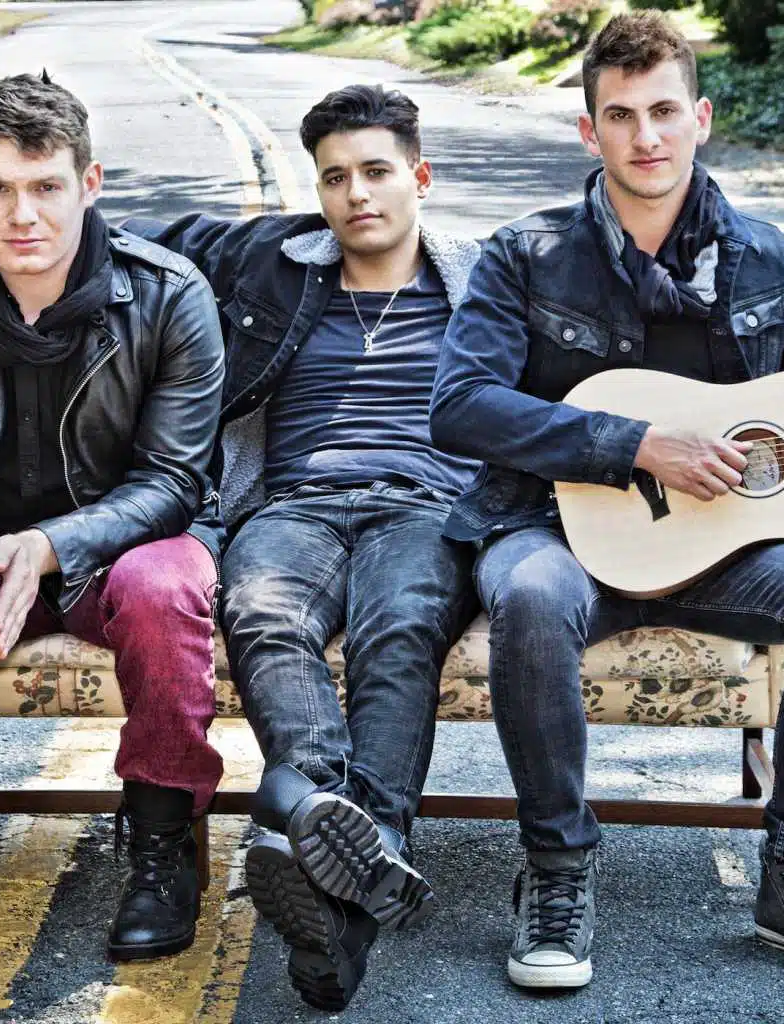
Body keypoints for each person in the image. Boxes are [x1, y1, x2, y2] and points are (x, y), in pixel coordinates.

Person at [431, 11, 784, 990]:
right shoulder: (524, 255)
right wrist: (636, 445)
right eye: (620, 115)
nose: (644, 136)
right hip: (554, 527)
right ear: (588, 130)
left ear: (700, 118)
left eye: (662, 111)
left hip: (724, 549)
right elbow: (461, 405)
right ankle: (557, 872)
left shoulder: (769, 259)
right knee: (531, 596)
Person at [124, 84, 480, 1010]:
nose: (356, 194)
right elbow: (126, 236)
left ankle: (337, 862)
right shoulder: (273, 260)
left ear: (420, 177)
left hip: (424, 508)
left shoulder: (484, 274)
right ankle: (328, 816)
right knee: (260, 610)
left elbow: (622, 272)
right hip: (295, 505)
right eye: (334, 177)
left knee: (400, 626)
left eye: (376, 171)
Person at [0, 74, 226, 963]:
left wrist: (50, 546)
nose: (22, 215)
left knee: (167, 583)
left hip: (111, 555)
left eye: (46, 186)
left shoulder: (169, 295)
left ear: (90, 183)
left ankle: (160, 846)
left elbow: (173, 480)